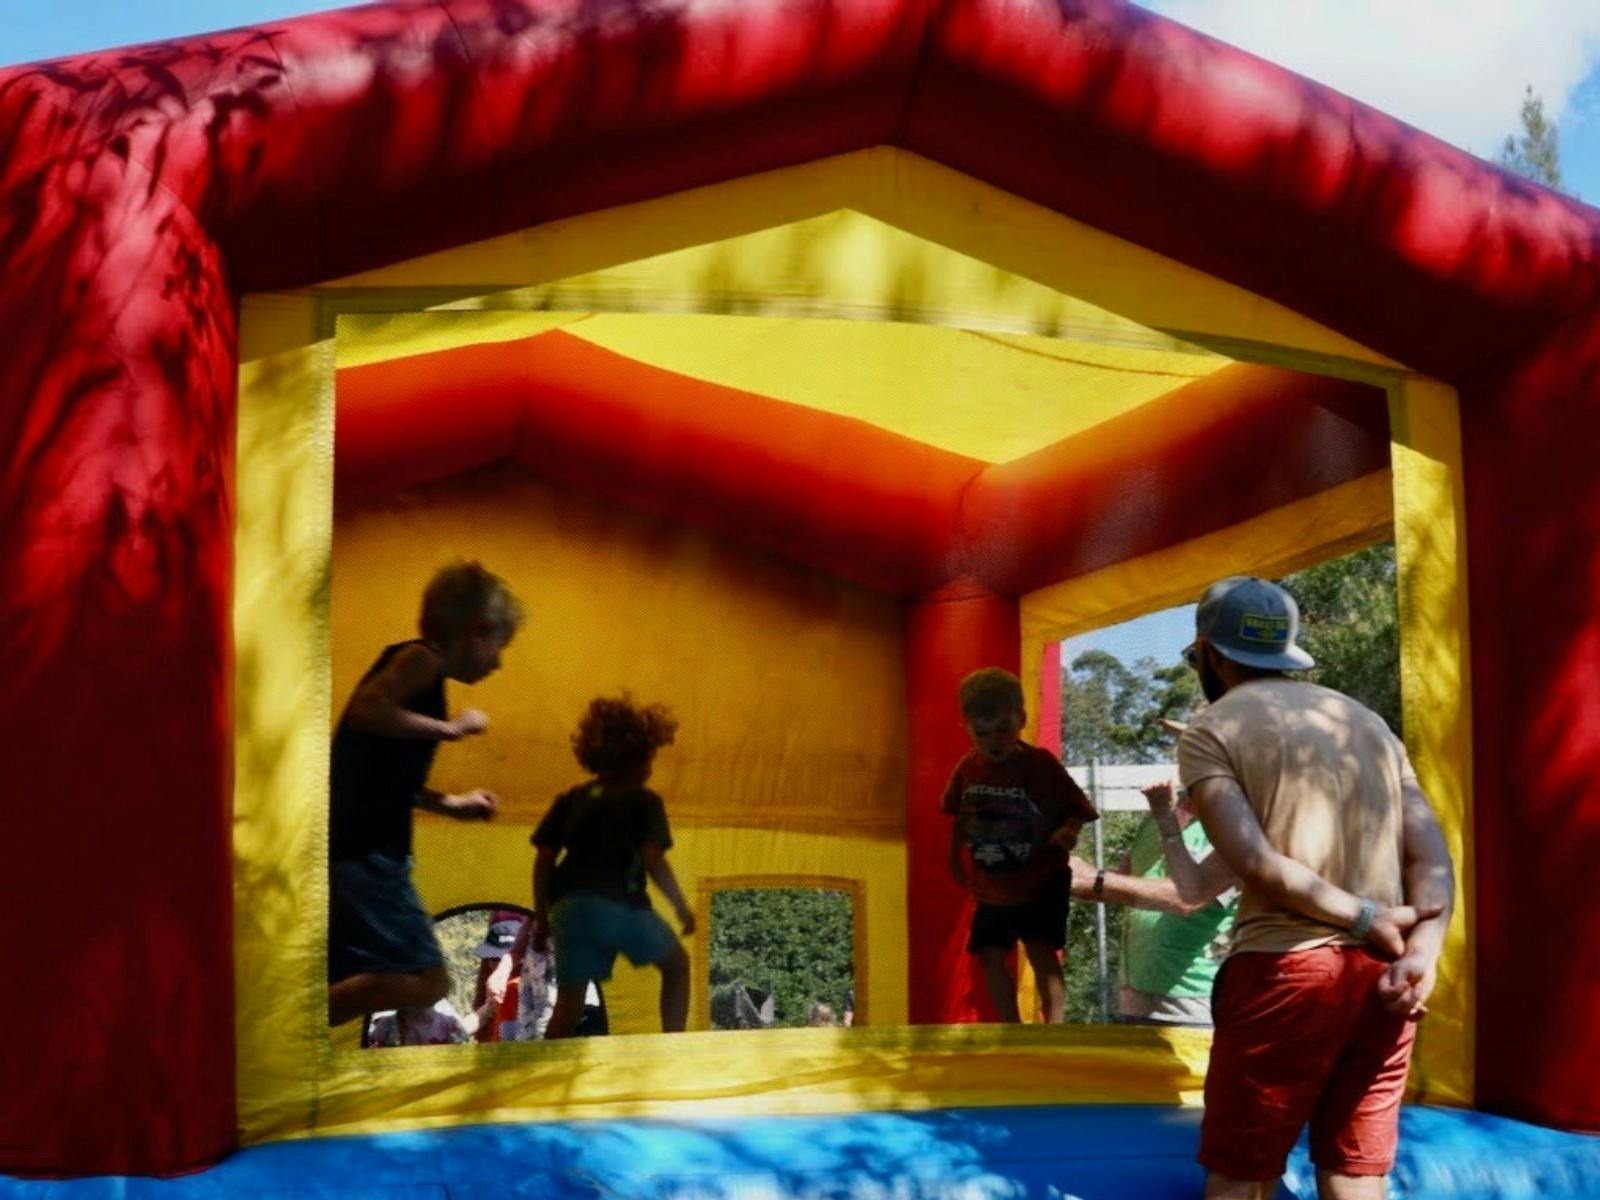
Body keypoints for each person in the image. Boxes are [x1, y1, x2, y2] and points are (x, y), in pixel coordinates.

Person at [1176, 577, 1453, 1200]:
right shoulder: (1368, 723)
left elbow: (1256, 861)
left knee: (1241, 1177)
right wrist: (1420, 955)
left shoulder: (1210, 729)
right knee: (1358, 1172)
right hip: (1385, 980)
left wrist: (1360, 918)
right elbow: (1433, 858)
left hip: (1287, 970)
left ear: (1211, 653)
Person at [326, 561, 524, 1027]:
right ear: (477, 630)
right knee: (430, 980)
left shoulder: (425, 678)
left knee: (351, 974)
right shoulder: (421, 658)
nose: (497, 661)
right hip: (368, 851)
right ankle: (296, 1018)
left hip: (362, 845)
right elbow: (365, 709)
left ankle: (305, 1020)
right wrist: (451, 730)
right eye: (499, 646)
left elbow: (387, 777)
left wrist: (452, 805)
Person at [531, 696, 696, 1038]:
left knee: (569, 1004)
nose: (651, 767)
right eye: (650, 757)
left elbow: (544, 860)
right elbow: (653, 859)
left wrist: (542, 918)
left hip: (568, 907)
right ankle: (677, 1048)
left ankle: (540, 1072)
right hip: (616, 903)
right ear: (637, 759)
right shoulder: (643, 800)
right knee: (677, 967)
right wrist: (681, 907)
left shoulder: (571, 799)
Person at [942, 668, 1099, 1023]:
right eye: (981, 733)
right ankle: (1010, 1028)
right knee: (988, 953)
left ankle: (1054, 1026)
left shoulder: (1040, 764)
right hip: (993, 884)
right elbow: (959, 814)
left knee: (1041, 951)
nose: (993, 741)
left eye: (1002, 729)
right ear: (967, 728)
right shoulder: (969, 767)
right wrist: (954, 854)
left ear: (1021, 720)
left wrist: (1068, 831)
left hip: (1040, 879)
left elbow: (1078, 806)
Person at [1068, 778, 1237, 1025]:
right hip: (1133, 998)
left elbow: (1186, 898)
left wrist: (1096, 880)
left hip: (1193, 1002)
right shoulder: (1157, 814)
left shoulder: (1235, 823)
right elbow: (1119, 885)